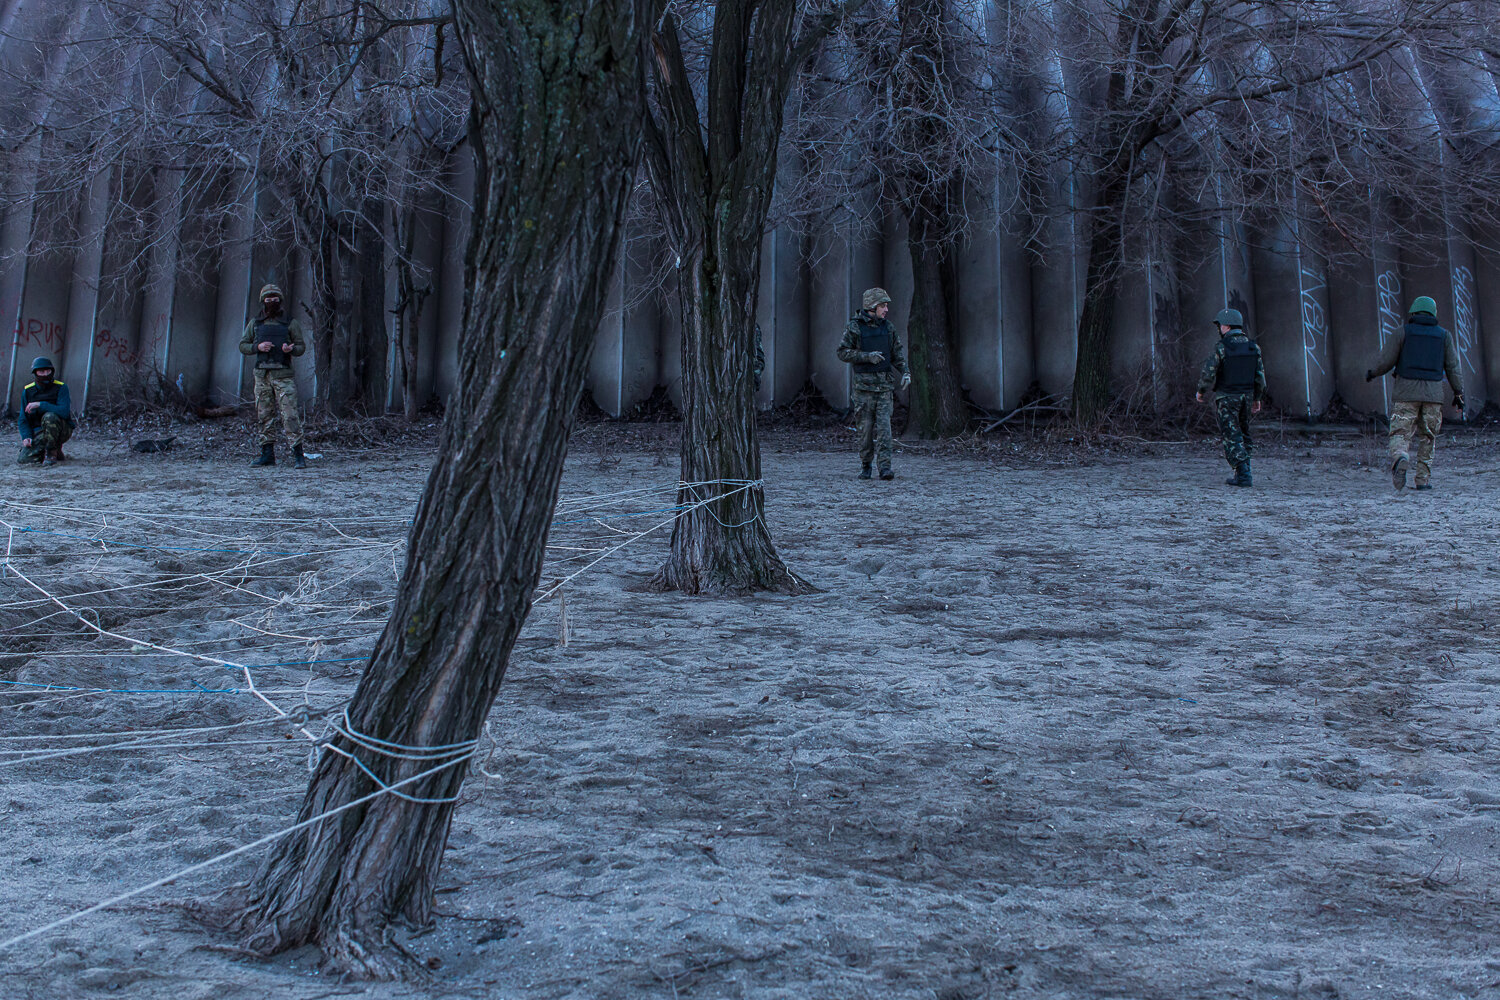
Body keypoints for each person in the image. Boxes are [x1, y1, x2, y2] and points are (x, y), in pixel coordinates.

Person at [1365, 295, 1464, 491]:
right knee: (1428, 437)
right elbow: (1453, 367)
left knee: (1400, 432)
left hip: (1405, 394)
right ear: (1433, 313)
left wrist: (1372, 373)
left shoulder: (1402, 332)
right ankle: (1423, 480)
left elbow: (1386, 360)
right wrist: (1458, 393)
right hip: (1433, 396)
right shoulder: (1444, 336)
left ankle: (1401, 456)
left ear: (1413, 312)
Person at [837, 287, 910, 480]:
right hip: (863, 390)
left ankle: (885, 468)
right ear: (872, 307)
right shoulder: (854, 327)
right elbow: (842, 352)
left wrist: (905, 372)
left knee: (885, 430)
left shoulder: (888, 327)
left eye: (886, 306)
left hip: (884, 388)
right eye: (883, 306)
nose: (886, 310)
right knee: (865, 430)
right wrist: (866, 357)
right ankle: (866, 465)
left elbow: (897, 354)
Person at [1195, 308, 1265, 487]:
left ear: (1226, 326)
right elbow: (1260, 377)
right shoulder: (1253, 347)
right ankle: (1244, 470)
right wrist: (1257, 398)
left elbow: (1209, 371)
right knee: (1244, 433)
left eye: (1219, 325)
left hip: (1227, 397)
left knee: (1232, 434)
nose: (1218, 329)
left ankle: (1243, 474)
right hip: (1247, 396)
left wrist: (1201, 390)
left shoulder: (1222, 347)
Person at [240, 283, 308, 468]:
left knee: (290, 415)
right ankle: (267, 454)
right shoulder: (255, 323)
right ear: (263, 301)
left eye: (274, 299)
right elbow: (243, 345)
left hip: (283, 375)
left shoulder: (290, 323)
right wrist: (257, 347)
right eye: (268, 299)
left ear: (280, 301)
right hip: (262, 375)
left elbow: (301, 347)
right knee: (264, 415)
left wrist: (290, 349)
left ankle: (298, 455)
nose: (271, 302)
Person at [17, 357, 73, 466]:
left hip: (61, 430)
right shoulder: (28, 391)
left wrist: (41, 405)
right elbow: (23, 419)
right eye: (41, 372)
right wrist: (26, 436)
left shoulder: (61, 387)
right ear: (35, 373)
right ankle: (54, 450)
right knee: (24, 459)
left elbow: (64, 412)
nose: (45, 374)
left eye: (48, 371)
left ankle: (52, 453)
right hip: (40, 432)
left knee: (49, 416)